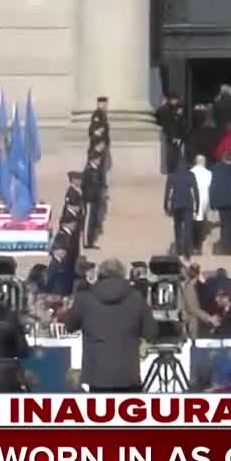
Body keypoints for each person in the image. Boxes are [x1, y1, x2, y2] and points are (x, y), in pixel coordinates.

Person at [63, 258, 158, 392]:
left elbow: (69, 326)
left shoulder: (84, 298)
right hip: (128, 374)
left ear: (100, 274)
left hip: (97, 374)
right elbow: (150, 332)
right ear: (123, 274)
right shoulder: (136, 298)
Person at [164, 158, 201, 258]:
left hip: (176, 205)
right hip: (188, 205)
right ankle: (187, 252)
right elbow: (196, 191)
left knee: (178, 228)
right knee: (188, 228)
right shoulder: (190, 175)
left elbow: (167, 192)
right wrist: (197, 206)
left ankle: (179, 250)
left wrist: (165, 206)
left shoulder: (172, 176)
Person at [154, 91, 187, 174]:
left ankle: (174, 172)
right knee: (172, 157)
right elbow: (167, 124)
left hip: (176, 137)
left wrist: (180, 137)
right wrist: (174, 137)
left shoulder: (178, 108)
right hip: (169, 137)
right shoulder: (164, 110)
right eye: (175, 100)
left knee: (176, 157)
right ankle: (172, 173)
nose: (176, 102)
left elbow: (181, 124)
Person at [82, 153, 106, 249]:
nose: (99, 161)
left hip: (96, 199)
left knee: (93, 222)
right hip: (89, 200)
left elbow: (100, 184)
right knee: (88, 221)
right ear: (92, 160)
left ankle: (90, 242)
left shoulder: (98, 170)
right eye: (97, 159)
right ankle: (86, 242)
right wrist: (85, 198)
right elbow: (84, 186)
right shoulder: (87, 171)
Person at [189, 155, 213, 253]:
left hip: (192, 198)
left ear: (195, 161)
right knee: (199, 220)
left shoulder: (190, 172)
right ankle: (198, 245)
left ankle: (194, 245)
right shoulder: (209, 173)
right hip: (204, 199)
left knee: (192, 221)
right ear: (204, 162)